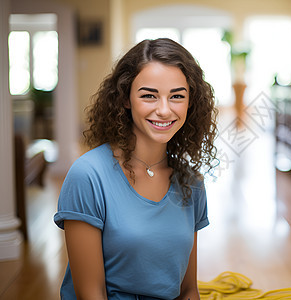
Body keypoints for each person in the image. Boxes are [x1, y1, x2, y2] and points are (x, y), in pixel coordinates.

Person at [54, 38, 218, 300]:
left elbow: (188, 290)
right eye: (149, 95)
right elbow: (90, 294)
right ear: (126, 99)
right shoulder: (87, 176)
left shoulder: (191, 182)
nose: (164, 110)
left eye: (177, 96)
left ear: (191, 102)